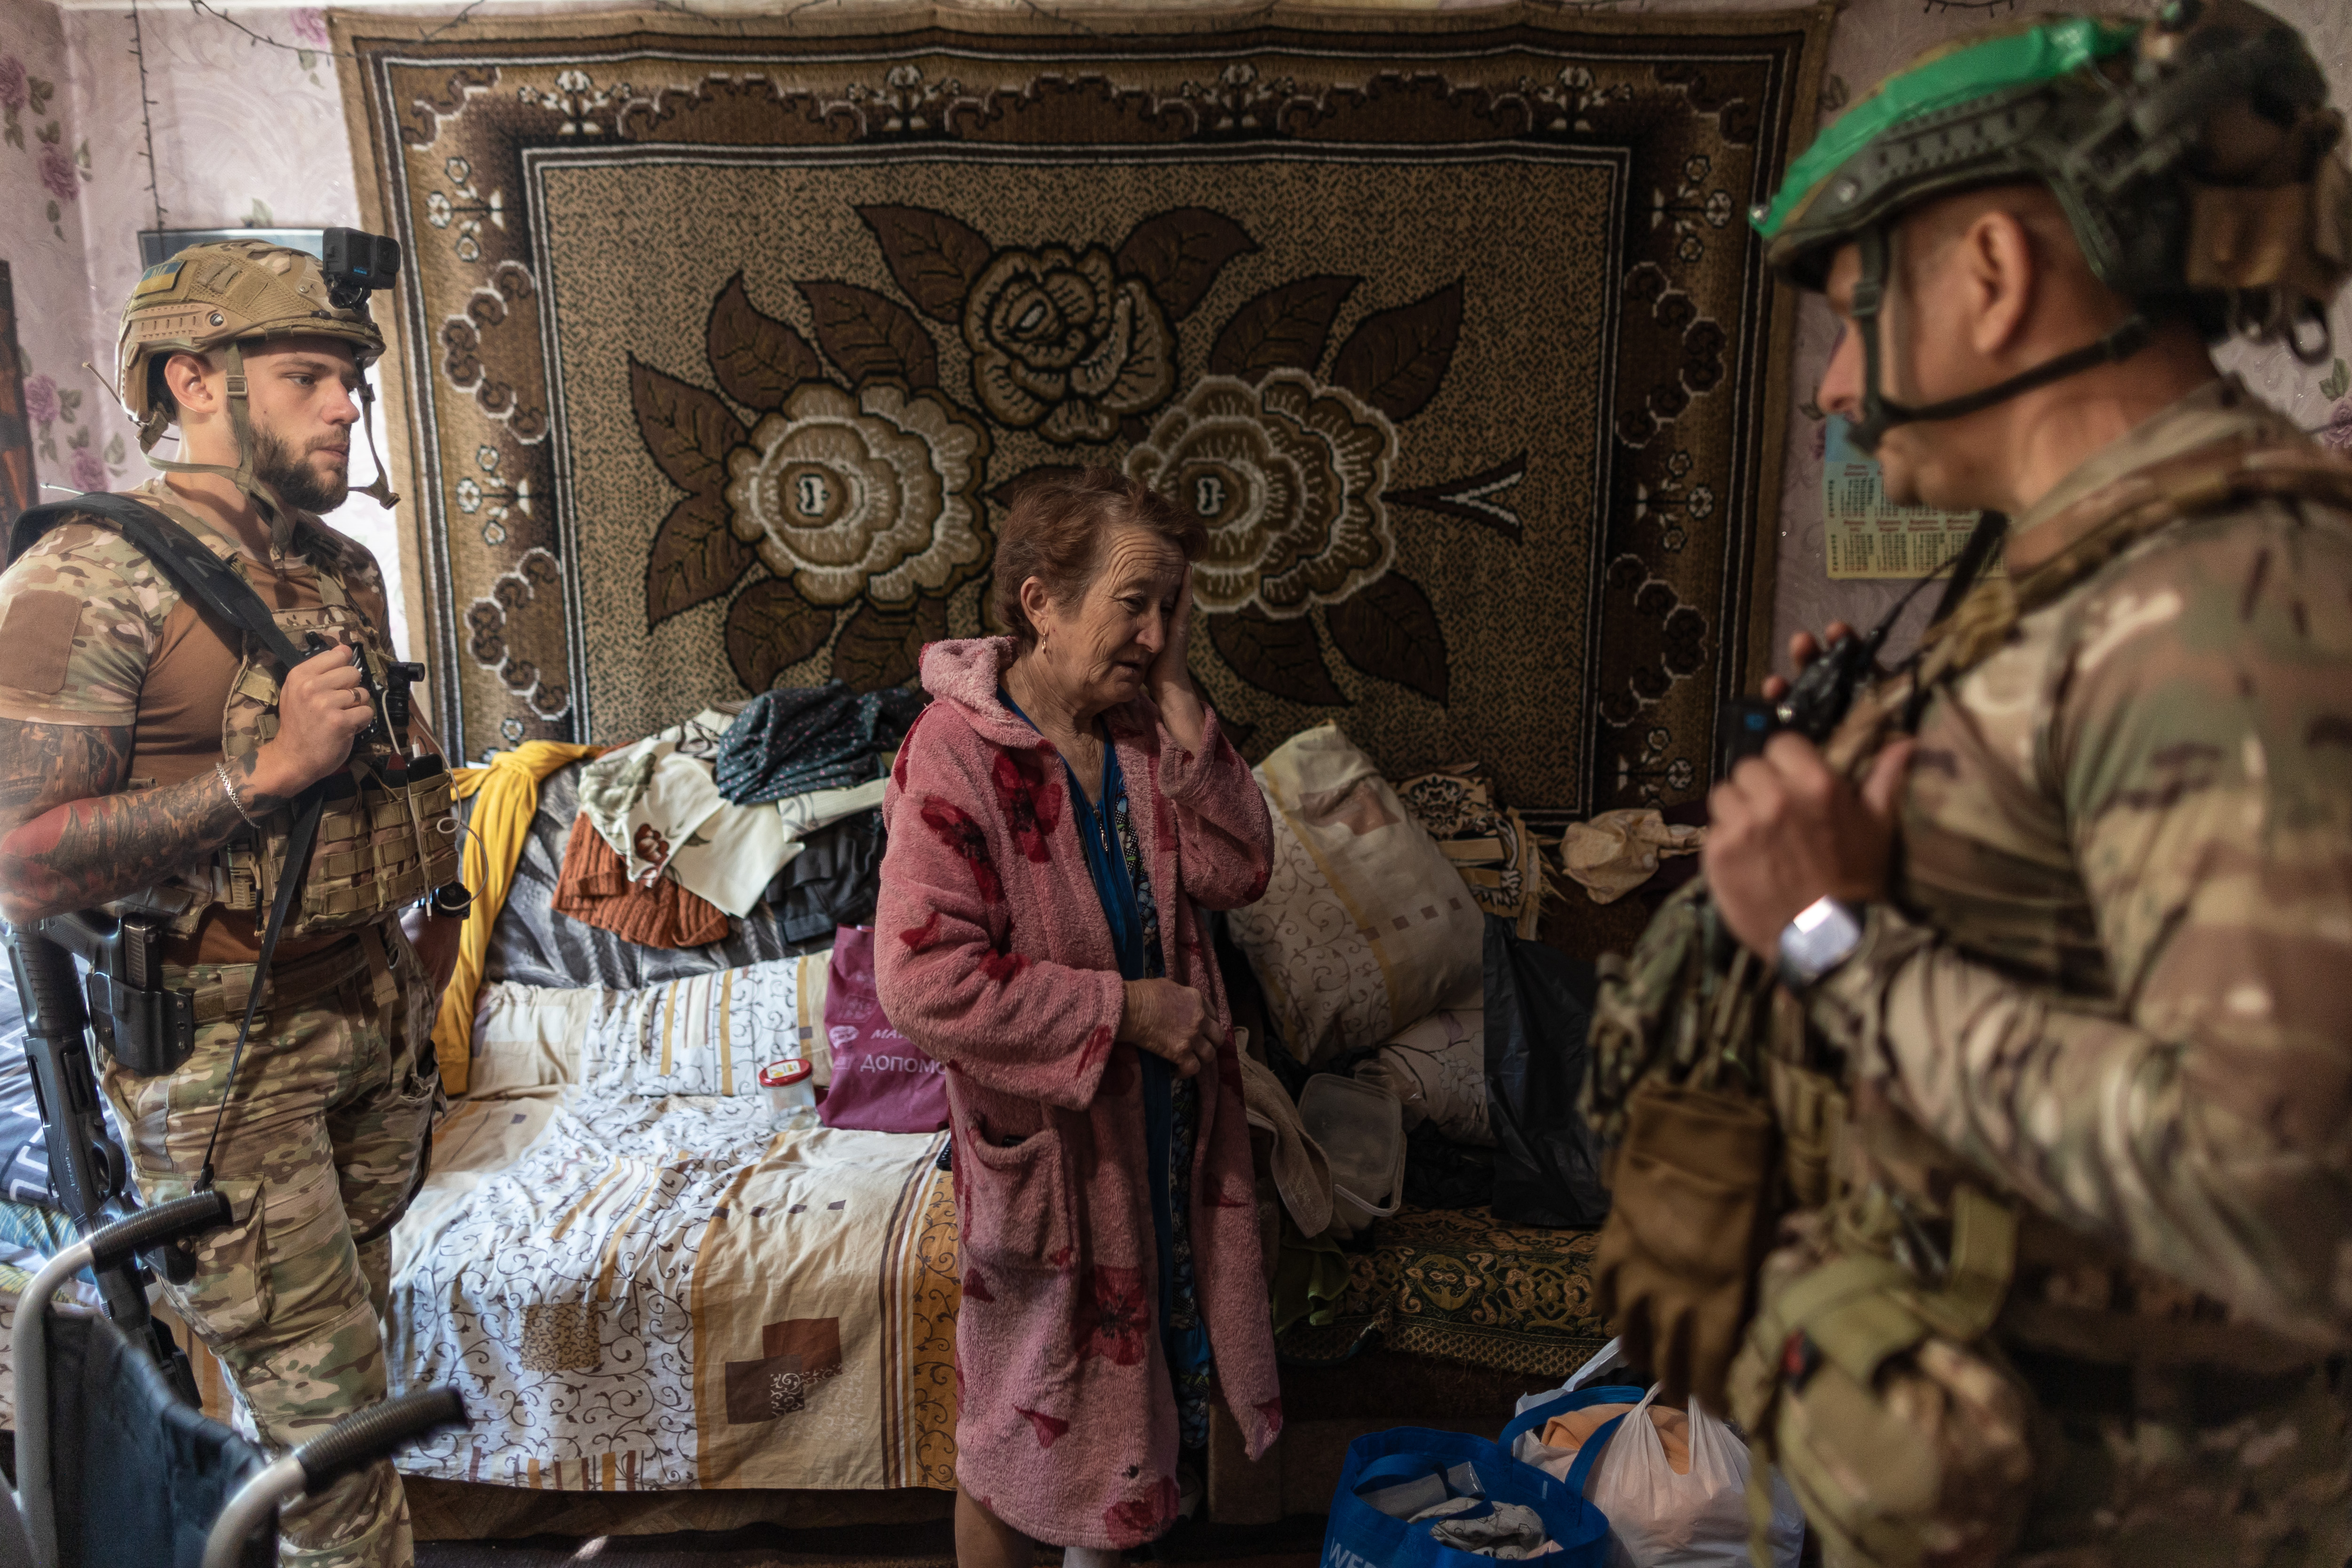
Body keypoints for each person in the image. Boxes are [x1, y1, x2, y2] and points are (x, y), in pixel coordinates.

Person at [1700, 3, 2352, 1561]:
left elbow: (2280, 1188)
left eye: (1859, 312)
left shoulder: (2217, 603)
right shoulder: (2077, 578)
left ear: (1993, 279)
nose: (1837, 384)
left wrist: (1829, 941)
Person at [0, 239, 466, 1568]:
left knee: (351, 1377)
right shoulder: (85, 577)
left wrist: (422, 922)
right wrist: (262, 776)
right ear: (195, 379)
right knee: (336, 1460)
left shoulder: (337, 569)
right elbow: (22, 861)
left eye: (351, 382)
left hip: (366, 1017)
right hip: (226, 1057)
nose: (345, 408)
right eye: (311, 375)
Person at [874, 468, 1283, 1567]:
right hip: (1054, 1150)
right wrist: (1124, 1009)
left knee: (1137, 1424)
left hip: (1162, 1137)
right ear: (1040, 601)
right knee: (1019, 1438)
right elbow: (921, 983)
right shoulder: (954, 754)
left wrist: (1185, 682)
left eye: (1172, 609)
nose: (1152, 634)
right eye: (1133, 603)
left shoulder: (1148, 735)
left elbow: (1239, 866)